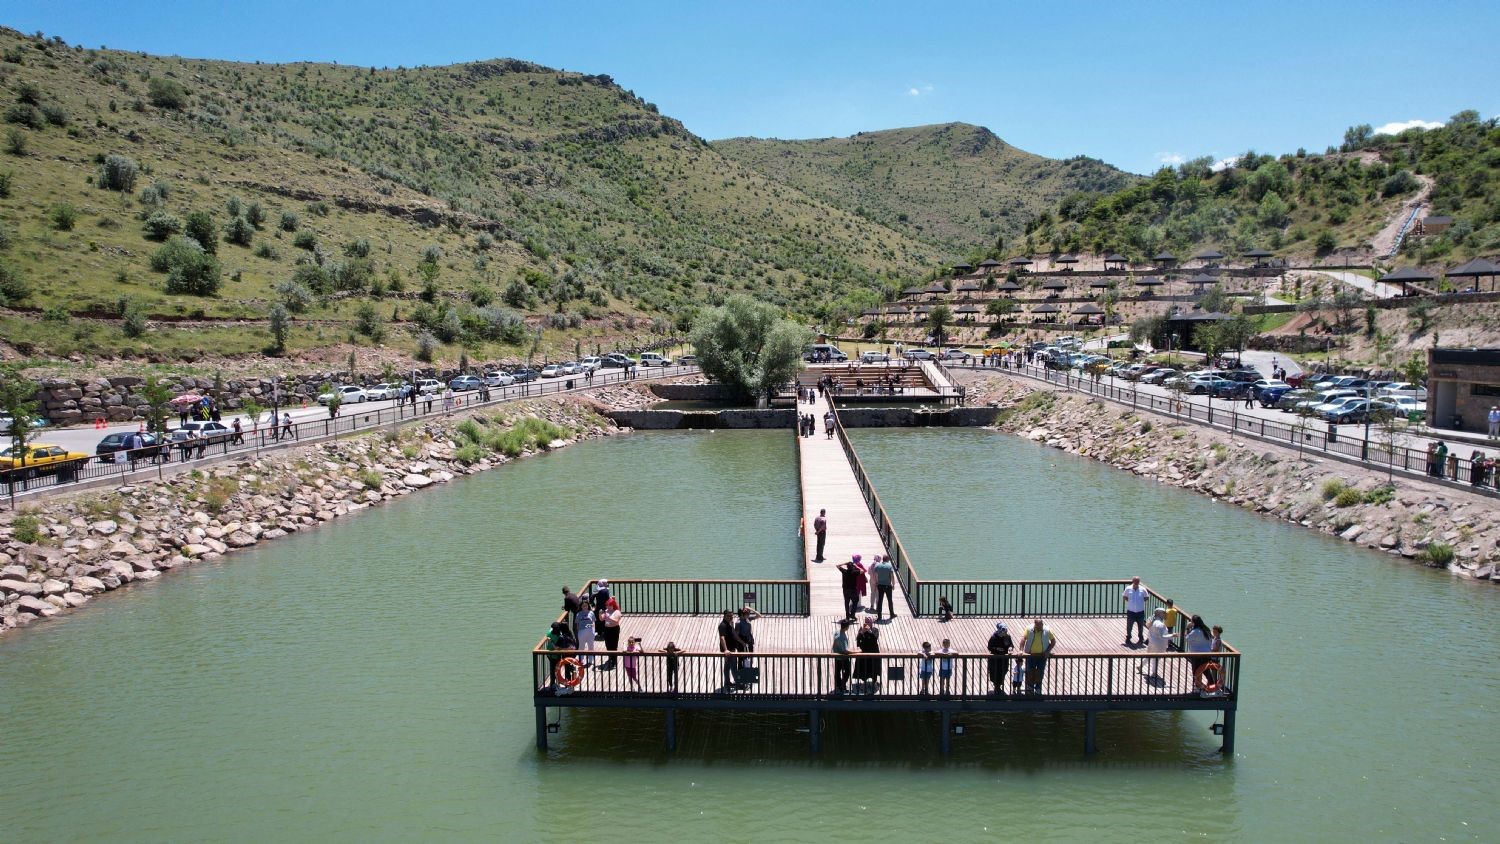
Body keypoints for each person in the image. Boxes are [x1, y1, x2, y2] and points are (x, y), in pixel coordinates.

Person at [1020, 618, 1056, 695]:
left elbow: (1053, 641)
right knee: (1029, 671)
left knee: (1040, 672)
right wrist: (1021, 650)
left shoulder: (1047, 630)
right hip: (1030, 655)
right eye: (1038, 626)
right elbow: (1023, 639)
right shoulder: (1029, 629)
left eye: (1041, 626)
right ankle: (1029, 689)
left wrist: (1047, 651)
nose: (1039, 627)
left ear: (1043, 624)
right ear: (1035, 625)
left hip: (1042, 656)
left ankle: (1038, 689)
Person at [717, 610, 745, 692]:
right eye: (729, 616)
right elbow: (722, 638)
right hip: (728, 651)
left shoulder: (729, 624)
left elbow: (735, 636)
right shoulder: (722, 625)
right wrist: (725, 650)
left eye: (732, 616)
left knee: (728, 666)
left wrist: (742, 643)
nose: (731, 617)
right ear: (724, 616)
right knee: (733, 667)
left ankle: (727, 683)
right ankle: (737, 683)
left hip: (731, 650)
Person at [853, 616, 881, 695]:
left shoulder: (875, 630)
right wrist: (862, 632)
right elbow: (858, 640)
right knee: (863, 668)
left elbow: (875, 639)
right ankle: (864, 683)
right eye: (865, 621)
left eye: (868, 621)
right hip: (864, 651)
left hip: (873, 652)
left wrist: (870, 631)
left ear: (871, 622)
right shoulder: (862, 629)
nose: (866, 623)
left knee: (874, 668)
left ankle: (874, 683)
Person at [986, 622, 1013, 696]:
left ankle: (999, 686)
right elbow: (989, 647)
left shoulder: (1007, 637)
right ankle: (996, 687)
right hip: (995, 659)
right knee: (994, 672)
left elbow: (1010, 645)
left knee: (1003, 671)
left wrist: (1010, 649)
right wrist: (997, 648)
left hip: (1004, 659)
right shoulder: (994, 637)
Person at [1122, 576, 1149, 646]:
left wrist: (1140, 601)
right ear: (1133, 581)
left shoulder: (1143, 589)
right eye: (1135, 581)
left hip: (1140, 611)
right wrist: (1130, 601)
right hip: (1131, 611)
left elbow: (1147, 597)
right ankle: (1128, 638)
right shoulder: (1128, 588)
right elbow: (1124, 596)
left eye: (1138, 581)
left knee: (1140, 626)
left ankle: (1140, 638)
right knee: (1129, 626)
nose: (1137, 583)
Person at [1144, 607, 1169, 679]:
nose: (1165, 615)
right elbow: (1162, 635)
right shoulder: (1159, 624)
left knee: (1149, 655)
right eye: (1164, 613)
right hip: (1159, 643)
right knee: (1156, 658)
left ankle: (1141, 666)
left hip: (1152, 641)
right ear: (1160, 614)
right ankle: (1154, 673)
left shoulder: (1153, 620)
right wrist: (1171, 636)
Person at [598, 597, 623, 669]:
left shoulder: (617, 612)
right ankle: (610, 657)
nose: (608, 607)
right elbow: (601, 619)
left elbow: (616, 621)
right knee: (608, 645)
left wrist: (609, 618)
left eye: (610, 605)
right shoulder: (606, 611)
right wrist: (600, 614)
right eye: (607, 605)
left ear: (613, 605)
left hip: (614, 629)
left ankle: (614, 661)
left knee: (614, 645)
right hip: (607, 629)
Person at [735, 606, 760, 673]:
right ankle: (740, 675)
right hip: (742, 642)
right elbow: (736, 636)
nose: (748, 614)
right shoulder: (738, 623)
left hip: (749, 641)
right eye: (747, 613)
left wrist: (751, 609)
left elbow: (759, 615)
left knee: (750, 657)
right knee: (741, 659)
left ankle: (749, 673)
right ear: (742, 614)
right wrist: (742, 642)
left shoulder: (748, 619)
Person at [831, 619, 852, 696]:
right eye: (848, 626)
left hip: (837, 656)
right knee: (847, 672)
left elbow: (834, 643)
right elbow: (845, 651)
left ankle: (839, 685)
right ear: (846, 627)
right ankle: (842, 686)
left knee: (837, 672)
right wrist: (856, 652)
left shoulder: (837, 632)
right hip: (843, 657)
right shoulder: (842, 637)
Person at [871, 554, 896, 619]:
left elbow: (875, 574)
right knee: (890, 600)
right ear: (887, 559)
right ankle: (892, 614)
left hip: (880, 585)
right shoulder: (889, 566)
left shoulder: (878, 565)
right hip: (888, 586)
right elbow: (892, 576)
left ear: (882, 559)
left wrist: (876, 582)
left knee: (880, 600)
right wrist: (893, 584)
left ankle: (879, 616)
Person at [575, 602, 597, 666]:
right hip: (582, 631)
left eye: (586, 606)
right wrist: (579, 632)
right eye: (583, 606)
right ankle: (581, 660)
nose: (585, 607)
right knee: (581, 646)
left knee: (591, 646)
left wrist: (593, 630)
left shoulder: (591, 613)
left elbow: (593, 622)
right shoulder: (578, 614)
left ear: (588, 606)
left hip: (590, 631)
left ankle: (590, 660)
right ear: (581, 606)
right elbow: (577, 624)